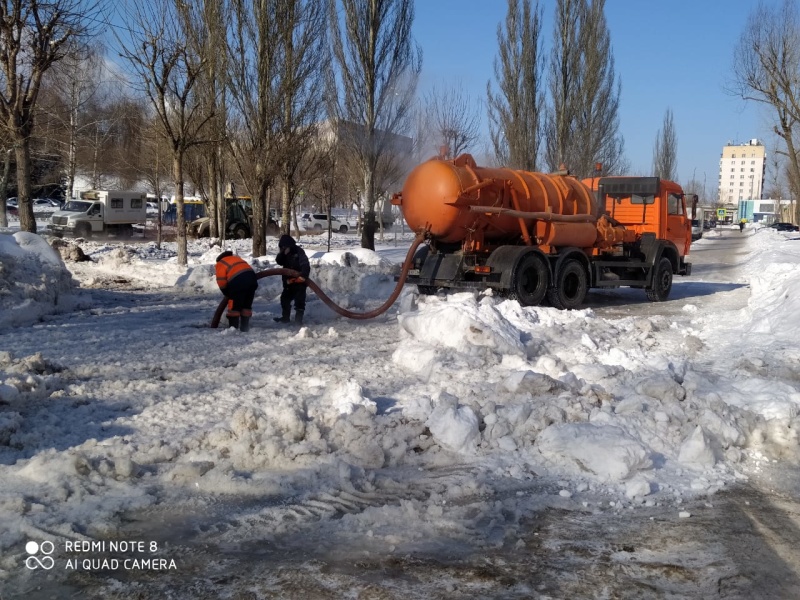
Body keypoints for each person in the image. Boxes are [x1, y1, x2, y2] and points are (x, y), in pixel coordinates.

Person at [215, 250, 258, 331]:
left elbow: (221, 281)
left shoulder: (221, 263)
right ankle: (245, 327)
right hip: (252, 279)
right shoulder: (236, 259)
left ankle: (233, 328)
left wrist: (227, 293)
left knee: (234, 307)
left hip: (238, 282)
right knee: (246, 304)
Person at [274, 234, 310, 325]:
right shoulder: (284, 254)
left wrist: (303, 275)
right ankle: (285, 318)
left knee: (299, 301)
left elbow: (305, 264)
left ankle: (298, 321)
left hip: (300, 282)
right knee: (284, 299)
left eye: (283, 247)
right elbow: (279, 261)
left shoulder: (299, 252)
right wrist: (282, 254)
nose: (282, 248)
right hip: (288, 282)